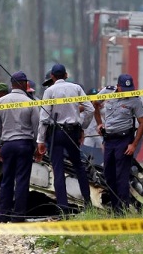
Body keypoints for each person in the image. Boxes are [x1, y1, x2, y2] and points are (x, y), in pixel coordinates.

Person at [37, 64, 94, 212]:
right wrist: (82, 126)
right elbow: (90, 109)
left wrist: (40, 140)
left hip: (56, 134)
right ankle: (88, 203)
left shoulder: (49, 91)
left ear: (52, 77)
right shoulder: (76, 88)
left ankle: (63, 208)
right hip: (73, 133)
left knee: (58, 170)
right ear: (66, 75)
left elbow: (44, 118)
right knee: (79, 168)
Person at [0, 71, 40, 223]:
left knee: (6, 179)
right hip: (24, 145)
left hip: (7, 145)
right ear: (26, 84)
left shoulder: (0, 102)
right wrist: (36, 147)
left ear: (11, 84)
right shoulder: (30, 103)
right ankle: (18, 216)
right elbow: (36, 127)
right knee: (22, 180)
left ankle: (2, 215)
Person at [96, 73, 143, 213]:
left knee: (121, 176)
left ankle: (122, 211)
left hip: (124, 141)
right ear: (118, 87)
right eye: (124, 89)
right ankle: (114, 207)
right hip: (109, 140)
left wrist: (134, 144)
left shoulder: (135, 100)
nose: (127, 93)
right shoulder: (107, 92)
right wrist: (99, 124)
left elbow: (142, 123)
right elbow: (95, 104)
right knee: (109, 175)